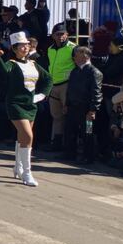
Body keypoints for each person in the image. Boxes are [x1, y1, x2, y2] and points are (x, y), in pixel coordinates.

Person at [0, 32, 53, 186]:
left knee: (23, 137)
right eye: (21, 46)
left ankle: (18, 166)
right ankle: (27, 172)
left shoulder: (33, 64)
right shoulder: (11, 63)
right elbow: (4, 73)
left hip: (31, 105)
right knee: (28, 136)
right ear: (15, 48)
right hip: (15, 104)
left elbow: (48, 79)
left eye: (26, 45)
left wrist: (42, 95)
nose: (25, 48)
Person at [63, 46, 103, 163]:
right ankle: (69, 153)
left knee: (88, 133)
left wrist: (93, 110)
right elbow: (69, 89)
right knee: (70, 131)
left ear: (85, 56)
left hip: (86, 109)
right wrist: (66, 104)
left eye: (77, 54)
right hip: (73, 107)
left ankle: (88, 156)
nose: (74, 57)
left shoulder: (94, 72)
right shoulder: (75, 71)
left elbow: (96, 92)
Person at [45, 24, 76, 152]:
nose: (61, 36)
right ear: (53, 36)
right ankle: (56, 143)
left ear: (67, 35)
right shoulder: (50, 49)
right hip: (54, 85)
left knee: (68, 114)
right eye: (58, 34)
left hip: (66, 84)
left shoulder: (73, 48)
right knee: (56, 116)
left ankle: (68, 144)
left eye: (63, 34)